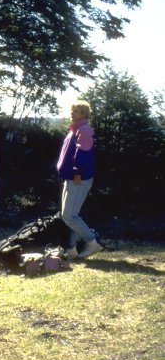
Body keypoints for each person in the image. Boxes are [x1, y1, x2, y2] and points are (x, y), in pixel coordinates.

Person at [56, 100, 102, 259]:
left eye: (76, 110)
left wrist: (76, 173)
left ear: (83, 113)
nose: (72, 112)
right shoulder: (75, 129)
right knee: (68, 215)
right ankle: (71, 249)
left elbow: (83, 155)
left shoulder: (85, 130)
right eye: (72, 109)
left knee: (70, 216)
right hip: (71, 178)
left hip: (78, 179)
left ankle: (92, 243)